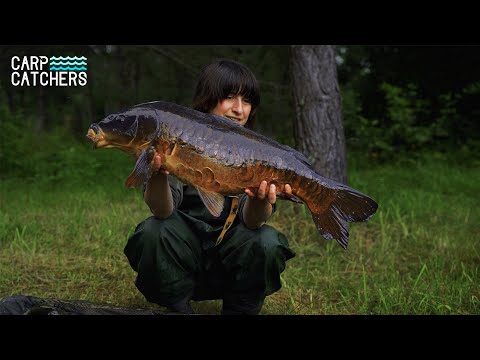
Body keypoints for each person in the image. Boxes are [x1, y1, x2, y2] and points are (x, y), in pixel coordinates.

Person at [124, 59, 296, 315]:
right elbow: (161, 212)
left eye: (247, 101)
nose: (239, 109)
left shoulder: (257, 154)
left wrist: (261, 200)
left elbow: (253, 223)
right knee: (152, 232)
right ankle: (179, 305)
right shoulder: (177, 137)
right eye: (229, 97)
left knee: (266, 241)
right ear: (207, 99)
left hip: (231, 264)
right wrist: (158, 172)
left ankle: (241, 308)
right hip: (183, 260)